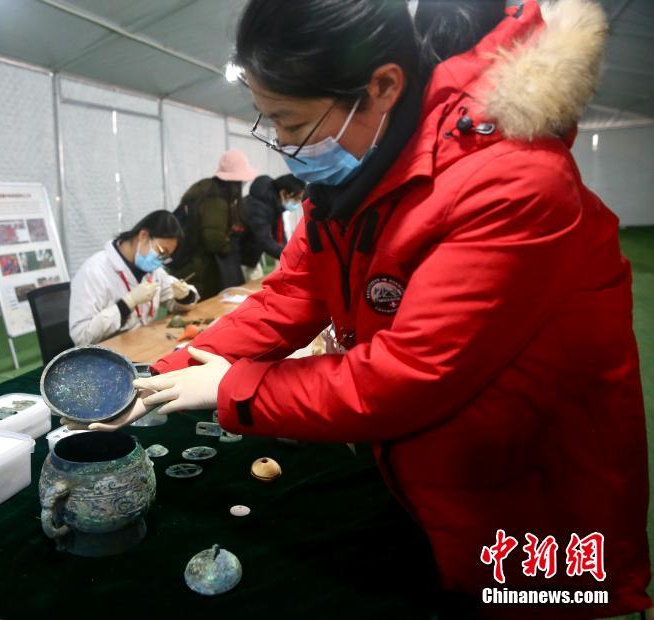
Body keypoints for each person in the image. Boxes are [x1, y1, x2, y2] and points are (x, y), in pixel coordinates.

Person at [77, 1, 652, 617]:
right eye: (268, 122)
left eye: (291, 123)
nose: (284, 145)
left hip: (532, 508)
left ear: (381, 87)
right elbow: (292, 293)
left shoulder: (514, 185)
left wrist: (231, 388)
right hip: (430, 479)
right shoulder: (351, 181)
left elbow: (406, 376)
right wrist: (164, 374)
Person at [68, 210, 198, 346]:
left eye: (166, 256)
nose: (160, 260)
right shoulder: (94, 271)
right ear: (143, 236)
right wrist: (126, 304)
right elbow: (81, 336)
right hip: (106, 356)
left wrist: (184, 296)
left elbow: (173, 300)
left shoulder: (153, 271)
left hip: (141, 346)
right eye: (161, 252)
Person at [169, 149, 258, 299]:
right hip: (199, 269)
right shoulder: (216, 200)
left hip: (187, 263)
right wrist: (228, 245)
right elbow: (213, 240)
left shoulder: (203, 189)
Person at [239, 173, 306, 280]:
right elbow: (265, 240)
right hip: (241, 256)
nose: (297, 203)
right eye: (297, 199)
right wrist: (290, 257)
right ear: (284, 193)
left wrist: (290, 253)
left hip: (253, 253)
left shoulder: (275, 204)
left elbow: (279, 234)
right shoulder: (257, 207)